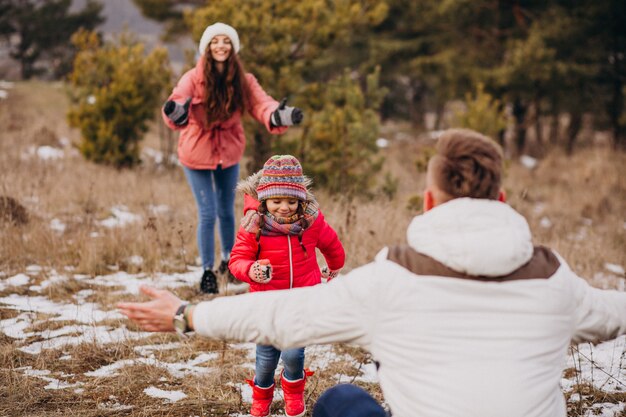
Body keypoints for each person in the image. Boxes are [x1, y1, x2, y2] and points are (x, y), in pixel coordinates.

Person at [118, 128, 626, 417]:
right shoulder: (556, 280)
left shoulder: (392, 279)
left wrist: (186, 315)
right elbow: (613, 313)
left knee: (342, 402)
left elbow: (283, 313)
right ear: (503, 199)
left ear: (428, 202)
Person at [162, 22, 303, 294]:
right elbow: (178, 99)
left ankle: (229, 262)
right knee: (207, 212)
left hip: (228, 151)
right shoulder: (193, 77)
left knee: (228, 211)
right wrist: (176, 111)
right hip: (196, 151)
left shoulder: (244, 80)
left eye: (226, 41)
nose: (221, 46)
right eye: (215, 41)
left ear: (233, 47)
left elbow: (262, 104)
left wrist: (279, 115)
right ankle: (207, 271)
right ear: (207, 47)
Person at [228, 154, 345, 417]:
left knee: (293, 355)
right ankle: (262, 397)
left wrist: (335, 265)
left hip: (301, 302)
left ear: (301, 200)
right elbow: (237, 259)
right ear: (264, 200)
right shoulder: (254, 226)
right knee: (266, 361)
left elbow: (332, 243)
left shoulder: (311, 222)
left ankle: (293, 393)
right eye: (277, 201)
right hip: (267, 304)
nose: (284, 207)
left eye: (292, 201)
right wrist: (251, 270)